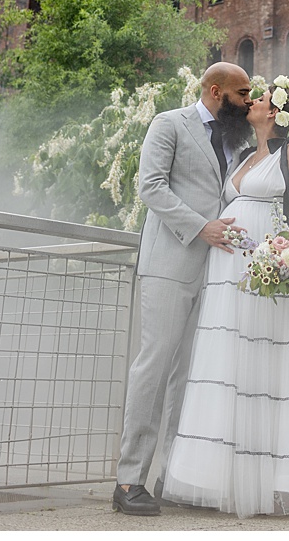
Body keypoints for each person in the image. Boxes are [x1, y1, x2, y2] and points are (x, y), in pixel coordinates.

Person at [162, 84, 289, 518]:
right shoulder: (246, 156)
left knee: (273, 369)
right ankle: (224, 476)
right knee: (232, 366)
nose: (253, 102)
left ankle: (282, 481)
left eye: (261, 99)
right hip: (230, 275)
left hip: (274, 273)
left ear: (276, 114)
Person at [114, 63, 253, 516]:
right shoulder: (169, 124)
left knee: (189, 376)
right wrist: (201, 228)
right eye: (242, 92)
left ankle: (170, 476)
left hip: (217, 273)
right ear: (216, 91)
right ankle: (129, 480)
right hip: (169, 264)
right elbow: (150, 187)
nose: (249, 99)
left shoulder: (237, 140)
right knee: (153, 369)